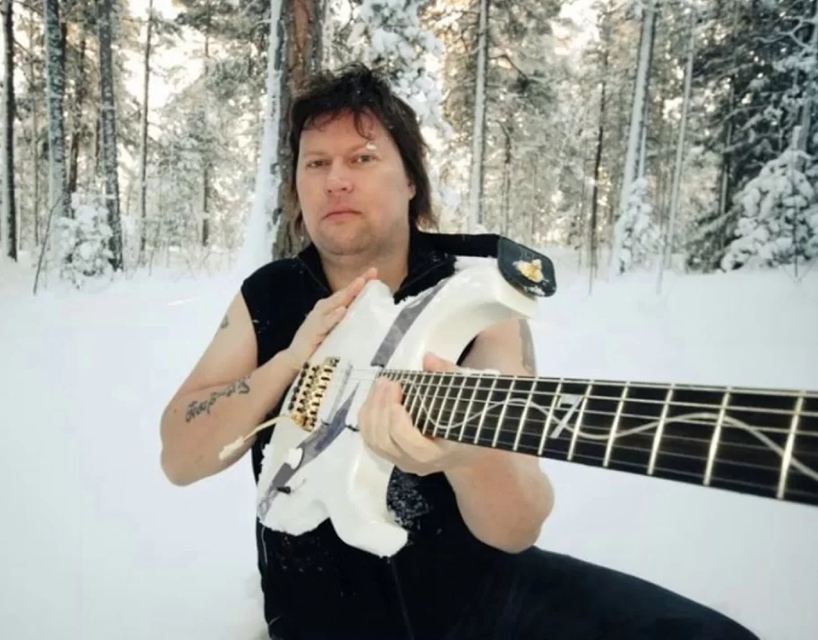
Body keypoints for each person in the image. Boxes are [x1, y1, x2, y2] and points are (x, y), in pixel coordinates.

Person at [159, 63, 759, 640]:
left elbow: (517, 526)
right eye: (316, 163)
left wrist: (466, 459)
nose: (335, 179)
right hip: (319, 619)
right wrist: (290, 363)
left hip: (481, 601)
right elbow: (180, 458)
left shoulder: (478, 292)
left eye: (362, 158)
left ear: (410, 181)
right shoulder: (270, 294)